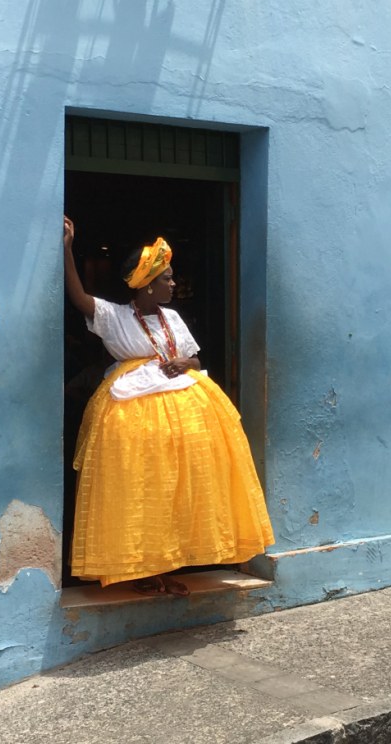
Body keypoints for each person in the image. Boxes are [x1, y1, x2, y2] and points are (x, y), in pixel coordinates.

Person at [64, 216, 274, 596]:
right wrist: (66, 249)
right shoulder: (115, 317)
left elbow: (194, 359)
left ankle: (166, 565)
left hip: (186, 412)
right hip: (132, 414)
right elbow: (79, 298)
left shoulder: (172, 319)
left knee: (177, 490)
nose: (174, 284)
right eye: (167, 278)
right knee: (138, 488)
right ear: (146, 285)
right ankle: (139, 569)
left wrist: (184, 364)